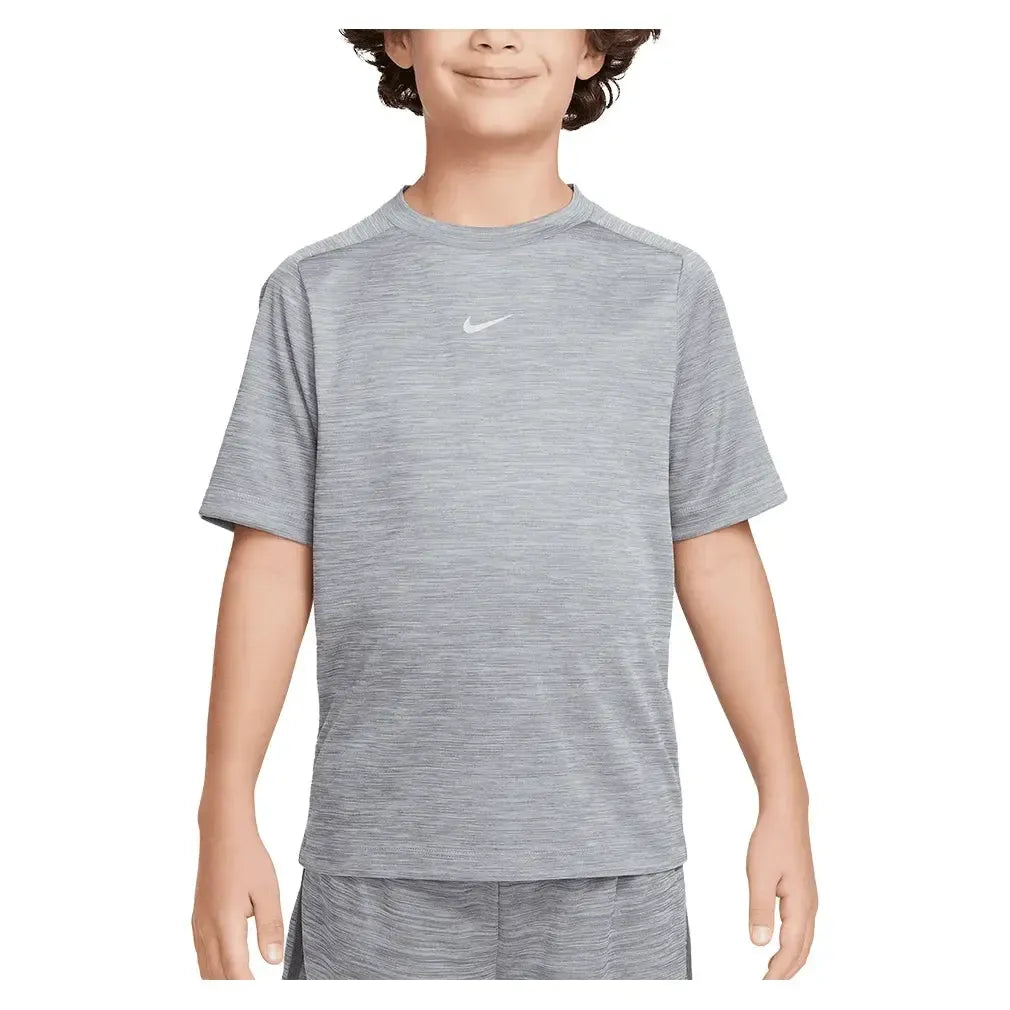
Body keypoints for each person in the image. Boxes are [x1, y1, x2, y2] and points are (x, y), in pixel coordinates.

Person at [191, 28, 817, 981]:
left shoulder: (666, 289)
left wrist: (784, 796)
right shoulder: (315, 293)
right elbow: (273, 560)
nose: (495, 31)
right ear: (400, 36)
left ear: (594, 46)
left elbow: (717, 552)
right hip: (378, 869)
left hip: (612, 865)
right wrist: (224, 810)